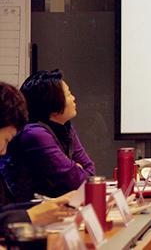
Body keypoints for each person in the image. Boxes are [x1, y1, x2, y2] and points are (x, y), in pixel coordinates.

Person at [0, 70, 95, 202]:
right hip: (27, 209)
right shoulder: (35, 134)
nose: (73, 98)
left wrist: (77, 171)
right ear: (52, 102)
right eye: (68, 94)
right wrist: (76, 168)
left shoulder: (65, 127)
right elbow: (77, 181)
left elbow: (89, 173)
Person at [0, 81, 74, 232]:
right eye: (6, 140)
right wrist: (31, 216)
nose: (3, 151)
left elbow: (3, 209)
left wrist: (45, 206)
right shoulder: (36, 134)